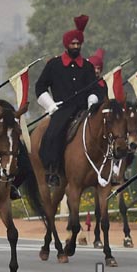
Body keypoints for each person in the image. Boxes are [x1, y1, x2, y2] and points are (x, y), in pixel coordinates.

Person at [35, 15, 104, 185]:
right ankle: (52, 170)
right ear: (66, 45)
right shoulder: (54, 65)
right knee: (53, 134)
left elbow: (95, 88)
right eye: (73, 44)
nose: (76, 47)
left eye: (78, 44)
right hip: (62, 109)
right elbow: (40, 87)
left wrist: (92, 100)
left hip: (84, 108)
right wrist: (50, 105)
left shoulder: (87, 67)